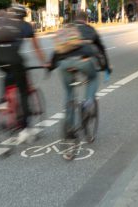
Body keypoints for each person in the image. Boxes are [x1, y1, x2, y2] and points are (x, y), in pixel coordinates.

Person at [48, 11, 111, 160]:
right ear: (86, 20)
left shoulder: (66, 29)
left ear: (74, 20)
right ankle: (88, 103)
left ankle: (69, 129)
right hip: (84, 61)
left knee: (69, 93)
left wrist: (49, 68)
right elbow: (101, 49)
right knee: (93, 78)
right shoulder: (90, 29)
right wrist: (106, 67)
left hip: (64, 64)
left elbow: (56, 51)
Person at [0, 4, 46, 142]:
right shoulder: (26, 26)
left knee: (8, 74)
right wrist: (44, 62)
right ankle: (24, 129)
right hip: (14, 58)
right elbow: (37, 48)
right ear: (24, 15)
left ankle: (4, 101)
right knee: (23, 91)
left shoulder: (4, 23)